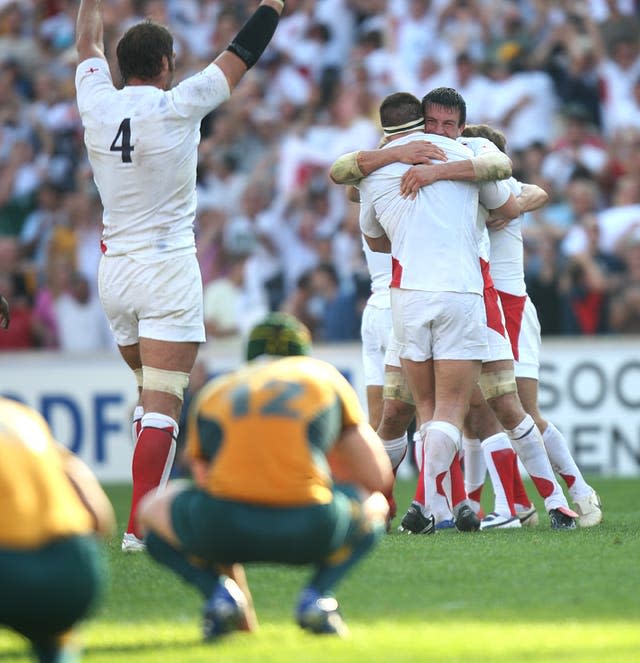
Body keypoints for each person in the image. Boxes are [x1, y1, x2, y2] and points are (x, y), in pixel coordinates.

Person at [74, 0, 286, 551]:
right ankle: (142, 528)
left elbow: (86, 46)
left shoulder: (96, 102)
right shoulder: (178, 105)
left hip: (114, 272)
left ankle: (146, 515)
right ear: (166, 63)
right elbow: (242, 55)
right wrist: (272, 6)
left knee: (148, 397)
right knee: (165, 403)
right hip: (165, 266)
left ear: (123, 67)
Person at [137, 312, 393, 639]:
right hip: (311, 524)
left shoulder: (218, 390)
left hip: (224, 527)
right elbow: (378, 475)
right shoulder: (322, 377)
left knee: (150, 511)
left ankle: (219, 595)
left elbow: (205, 481)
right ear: (303, 353)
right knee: (374, 504)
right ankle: (318, 596)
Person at [357, 91, 512, 534]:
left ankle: (425, 505)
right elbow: (504, 199)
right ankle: (429, 503)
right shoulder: (469, 152)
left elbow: (374, 240)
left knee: (420, 407)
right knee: (449, 407)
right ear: (423, 122)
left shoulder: (373, 169)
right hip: (459, 294)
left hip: (405, 297)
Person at [463, 123, 603, 527]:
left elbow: (534, 192)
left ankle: (572, 490)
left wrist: (513, 205)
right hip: (483, 304)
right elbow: (535, 194)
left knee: (520, 409)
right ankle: (516, 505)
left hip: (510, 305)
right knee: (481, 411)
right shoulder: (481, 191)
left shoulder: (503, 186)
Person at [0, 397, 115, 663]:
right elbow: (100, 516)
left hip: (11, 572)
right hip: (78, 571)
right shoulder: (23, 417)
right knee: (52, 635)